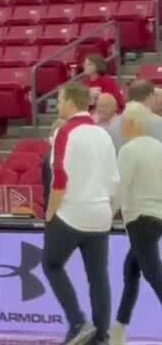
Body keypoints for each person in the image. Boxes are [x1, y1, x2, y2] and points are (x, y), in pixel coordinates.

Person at [43, 83, 118, 345]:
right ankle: (101, 337)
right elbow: (113, 180)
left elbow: (59, 179)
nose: (58, 105)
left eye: (61, 99)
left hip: (72, 213)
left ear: (71, 101)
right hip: (101, 213)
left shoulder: (65, 132)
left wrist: (50, 213)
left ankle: (77, 321)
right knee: (99, 276)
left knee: (51, 264)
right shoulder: (103, 134)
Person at [110, 101, 162, 344]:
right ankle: (118, 329)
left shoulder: (129, 150)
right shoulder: (158, 148)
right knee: (131, 270)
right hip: (157, 217)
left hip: (140, 218)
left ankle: (118, 331)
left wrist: (106, 215)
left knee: (153, 274)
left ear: (132, 123)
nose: (121, 128)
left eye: (123, 123)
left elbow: (120, 189)